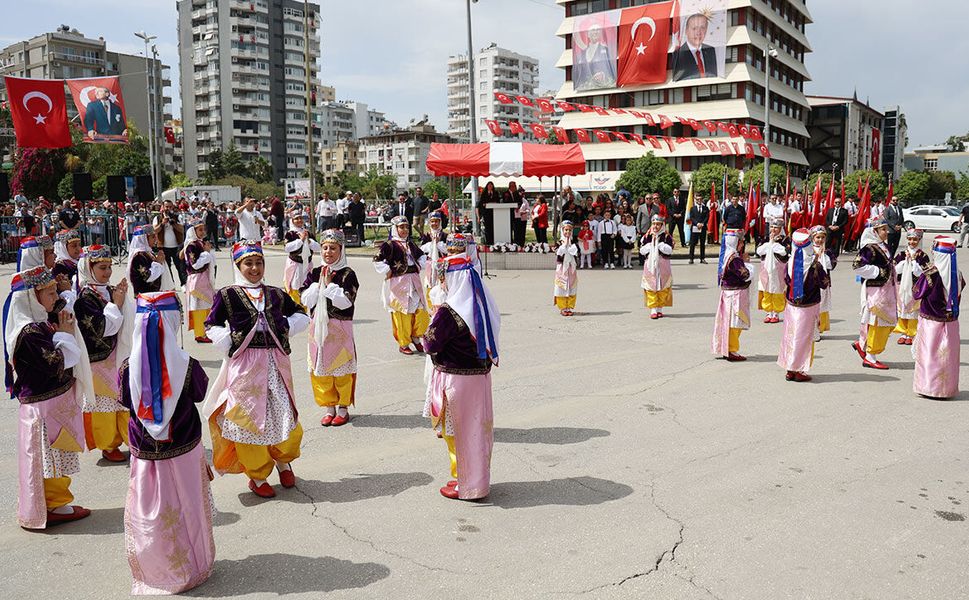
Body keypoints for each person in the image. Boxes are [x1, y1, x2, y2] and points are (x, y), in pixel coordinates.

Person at [119, 291, 214, 595]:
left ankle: (159, 568)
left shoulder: (127, 367)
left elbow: (123, 400)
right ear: (173, 322)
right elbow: (200, 392)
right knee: (188, 506)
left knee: (154, 509)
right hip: (184, 448)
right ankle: (194, 565)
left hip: (145, 452)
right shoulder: (187, 365)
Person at [203, 240, 310, 498]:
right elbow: (211, 324)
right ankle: (258, 474)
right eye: (248, 263)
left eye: (258, 262)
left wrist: (285, 326)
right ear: (239, 265)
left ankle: (283, 461)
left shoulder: (275, 293)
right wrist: (226, 340)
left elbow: (301, 314)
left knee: (281, 412)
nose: (254, 268)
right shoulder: (227, 294)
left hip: (275, 364)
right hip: (245, 366)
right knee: (248, 419)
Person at [5, 266, 92, 528]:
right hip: (42, 411)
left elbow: (60, 309)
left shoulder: (38, 323)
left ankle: (55, 501)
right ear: (33, 296)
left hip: (52, 406)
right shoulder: (28, 333)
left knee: (53, 455)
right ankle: (52, 504)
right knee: (47, 458)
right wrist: (64, 334)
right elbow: (57, 362)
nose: (56, 297)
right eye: (51, 292)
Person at [423, 234, 500, 500]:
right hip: (480, 378)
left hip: (457, 381)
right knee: (478, 430)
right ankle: (477, 479)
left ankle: (463, 481)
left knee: (458, 433)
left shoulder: (448, 311)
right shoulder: (482, 304)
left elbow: (430, 343)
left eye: (444, 277)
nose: (442, 282)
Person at [74, 245, 132, 462]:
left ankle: (131, 438)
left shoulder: (106, 289)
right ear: (89, 268)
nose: (107, 272)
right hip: (99, 360)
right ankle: (108, 445)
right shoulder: (84, 299)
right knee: (105, 403)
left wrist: (123, 301)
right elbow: (103, 329)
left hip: (117, 355)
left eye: (109, 266)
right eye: (101, 267)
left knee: (123, 398)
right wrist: (117, 304)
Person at [299, 230, 359, 427]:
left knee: (341, 369)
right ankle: (329, 407)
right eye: (325, 248)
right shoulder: (315, 273)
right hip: (318, 327)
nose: (328, 252)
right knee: (320, 369)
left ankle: (342, 407)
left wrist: (329, 287)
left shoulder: (348, 274)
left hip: (339, 328)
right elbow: (305, 299)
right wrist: (317, 287)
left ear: (341, 250)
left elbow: (346, 303)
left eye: (333, 248)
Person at [912, 236, 964, 399]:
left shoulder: (932, 275)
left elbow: (916, 293)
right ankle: (947, 389)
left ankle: (929, 387)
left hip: (931, 323)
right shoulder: (959, 275)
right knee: (948, 357)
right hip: (951, 323)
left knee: (930, 355)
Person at [777, 229, 830, 382]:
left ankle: (789, 369)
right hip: (808, 307)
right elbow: (824, 283)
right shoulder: (814, 265)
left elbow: (786, 280)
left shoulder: (790, 262)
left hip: (792, 305)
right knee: (804, 338)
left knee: (791, 335)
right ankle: (799, 369)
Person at [373, 216, 430, 355]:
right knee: (402, 313)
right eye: (401, 227)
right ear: (395, 228)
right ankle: (403, 343)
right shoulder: (389, 245)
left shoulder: (411, 244)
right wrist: (388, 270)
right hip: (398, 283)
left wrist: (421, 263)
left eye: (406, 227)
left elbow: (421, 256)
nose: (404, 230)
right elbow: (377, 260)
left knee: (421, 312)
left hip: (414, 281)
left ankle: (416, 338)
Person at [851, 218, 898, 370]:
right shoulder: (869, 248)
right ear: (874, 231)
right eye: (883, 229)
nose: (887, 232)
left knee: (883, 322)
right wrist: (878, 272)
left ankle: (864, 344)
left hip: (887, 289)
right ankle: (871, 355)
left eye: (886, 229)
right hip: (877, 290)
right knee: (878, 322)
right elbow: (857, 266)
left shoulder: (882, 245)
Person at [712, 229, 752, 362]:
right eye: (741, 242)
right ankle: (731, 349)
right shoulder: (735, 259)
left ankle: (727, 347)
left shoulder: (727, 255)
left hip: (728, 293)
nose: (742, 245)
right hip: (735, 295)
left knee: (727, 321)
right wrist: (747, 263)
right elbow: (744, 275)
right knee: (734, 323)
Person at [892, 228, 930, 346]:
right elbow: (896, 270)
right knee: (902, 308)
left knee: (913, 310)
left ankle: (911, 333)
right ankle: (903, 332)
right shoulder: (901, 254)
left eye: (915, 239)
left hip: (915, 286)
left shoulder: (923, 255)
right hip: (901, 285)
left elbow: (920, 273)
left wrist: (913, 261)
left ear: (919, 240)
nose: (912, 242)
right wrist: (905, 261)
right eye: (910, 239)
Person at [181, 219, 216, 344]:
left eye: (203, 229)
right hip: (196, 279)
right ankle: (200, 333)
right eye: (199, 229)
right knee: (199, 307)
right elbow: (195, 264)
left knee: (206, 306)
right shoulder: (191, 245)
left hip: (203, 278)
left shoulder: (199, 243)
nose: (202, 232)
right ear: (193, 230)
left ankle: (205, 331)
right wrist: (206, 253)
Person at [282, 211, 320, 306]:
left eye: (300, 218)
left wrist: (309, 241)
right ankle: (296, 308)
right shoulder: (290, 234)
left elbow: (318, 247)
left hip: (307, 264)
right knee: (295, 286)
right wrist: (300, 241)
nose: (299, 220)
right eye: (296, 219)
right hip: (296, 265)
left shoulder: (308, 233)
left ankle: (305, 308)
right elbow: (287, 248)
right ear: (292, 221)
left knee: (307, 286)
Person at [757, 218, 790, 324]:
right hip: (766, 270)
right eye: (772, 226)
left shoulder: (785, 240)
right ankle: (768, 312)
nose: (773, 229)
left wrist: (773, 244)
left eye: (776, 227)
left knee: (777, 290)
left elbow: (784, 252)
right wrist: (769, 242)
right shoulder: (765, 239)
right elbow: (759, 251)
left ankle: (776, 312)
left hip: (778, 270)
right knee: (766, 290)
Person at [640, 214, 674, 319]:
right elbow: (641, 250)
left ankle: (660, 309)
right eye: (654, 224)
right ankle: (653, 309)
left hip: (663, 265)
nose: (656, 226)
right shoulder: (647, 236)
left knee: (663, 287)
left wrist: (660, 245)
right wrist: (650, 246)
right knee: (651, 286)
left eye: (658, 224)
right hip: (650, 265)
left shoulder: (666, 236)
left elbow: (670, 250)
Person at [126, 224, 173, 297]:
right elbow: (148, 277)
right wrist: (158, 262)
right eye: (153, 237)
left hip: (154, 295)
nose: (155, 239)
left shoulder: (149, 253)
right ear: (144, 239)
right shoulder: (138, 256)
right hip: (146, 298)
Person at [671, 13, 719, 81]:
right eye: (694, 28)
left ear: (706, 29)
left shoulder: (710, 50)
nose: (698, 32)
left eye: (702, 28)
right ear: (686, 31)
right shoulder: (678, 55)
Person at [572, 21, 617, 91]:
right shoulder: (582, 54)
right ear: (588, 34)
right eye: (593, 30)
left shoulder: (605, 50)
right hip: (585, 88)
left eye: (597, 30)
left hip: (602, 87)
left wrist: (603, 74)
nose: (595, 32)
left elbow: (611, 67)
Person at [153, 201, 187, 287]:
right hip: (163, 247)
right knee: (167, 268)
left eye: (170, 207)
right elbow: (155, 230)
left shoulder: (177, 217)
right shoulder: (157, 218)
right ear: (163, 207)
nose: (168, 209)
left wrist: (173, 223)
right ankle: (171, 285)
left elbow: (182, 230)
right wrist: (162, 223)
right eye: (167, 207)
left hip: (177, 246)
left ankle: (184, 284)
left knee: (180, 267)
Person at [811, 226, 837, 337]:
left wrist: (823, 255)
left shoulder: (828, 252)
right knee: (813, 306)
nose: (820, 240)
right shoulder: (809, 249)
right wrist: (816, 256)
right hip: (811, 283)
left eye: (822, 237)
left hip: (824, 283)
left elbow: (831, 265)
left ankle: (818, 329)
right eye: (818, 237)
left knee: (821, 306)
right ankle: (812, 330)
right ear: (813, 238)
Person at [420, 212, 449, 314]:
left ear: (440, 222)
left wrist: (438, 244)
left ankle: (442, 310)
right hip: (430, 266)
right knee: (429, 285)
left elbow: (448, 249)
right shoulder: (426, 236)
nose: (434, 224)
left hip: (442, 266)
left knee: (442, 287)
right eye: (432, 221)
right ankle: (432, 310)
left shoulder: (445, 235)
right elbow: (421, 250)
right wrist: (432, 244)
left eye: (437, 221)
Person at [553, 221, 579, 316]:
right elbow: (558, 252)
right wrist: (564, 244)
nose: (567, 232)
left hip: (571, 267)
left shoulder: (574, 242)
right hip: (562, 268)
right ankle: (563, 307)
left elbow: (576, 252)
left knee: (572, 286)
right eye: (566, 230)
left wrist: (571, 245)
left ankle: (569, 306)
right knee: (562, 286)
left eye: (569, 230)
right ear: (562, 230)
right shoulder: (559, 242)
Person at [52, 228, 82, 294]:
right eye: (74, 246)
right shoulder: (59, 267)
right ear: (63, 248)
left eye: (79, 245)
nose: (78, 249)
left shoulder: (81, 261)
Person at [688, 196, 711, 264]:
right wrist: (697, 223)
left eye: (700, 199)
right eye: (698, 199)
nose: (699, 200)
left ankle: (702, 258)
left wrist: (702, 223)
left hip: (703, 227)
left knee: (702, 244)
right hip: (695, 227)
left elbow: (707, 217)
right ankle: (691, 258)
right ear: (696, 200)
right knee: (692, 243)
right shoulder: (692, 208)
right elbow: (691, 217)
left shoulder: (706, 208)